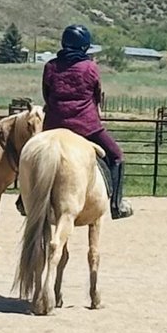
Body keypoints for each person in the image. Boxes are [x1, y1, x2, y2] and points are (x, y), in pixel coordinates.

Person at [41, 25, 129, 219]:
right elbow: (97, 95)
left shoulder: (50, 66)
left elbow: (46, 95)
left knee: (31, 154)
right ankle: (116, 204)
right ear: (84, 46)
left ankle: (24, 198)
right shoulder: (90, 67)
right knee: (116, 156)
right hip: (86, 126)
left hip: (53, 126)